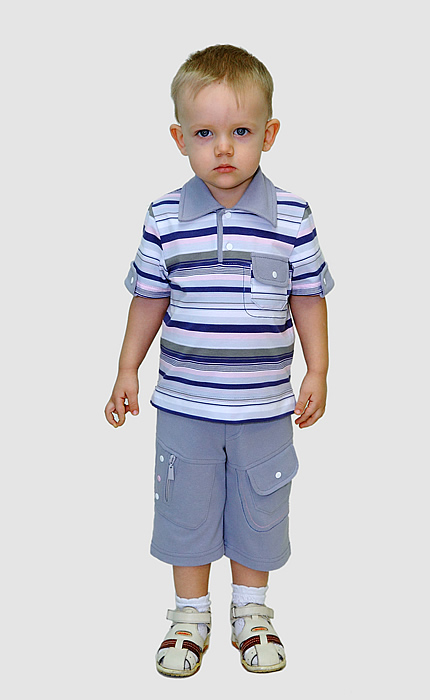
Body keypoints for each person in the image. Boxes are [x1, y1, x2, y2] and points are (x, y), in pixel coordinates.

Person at [104, 44, 334, 677]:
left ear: (269, 134)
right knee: (188, 510)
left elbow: (308, 297)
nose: (224, 148)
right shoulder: (165, 216)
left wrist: (317, 370)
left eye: (241, 132)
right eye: (205, 133)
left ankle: (252, 612)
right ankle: (189, 617)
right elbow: (148, 299)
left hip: (265, 408)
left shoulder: (291, 216)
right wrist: (126, 369)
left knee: (261, 510)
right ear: (180, 139)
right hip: (185, 404)